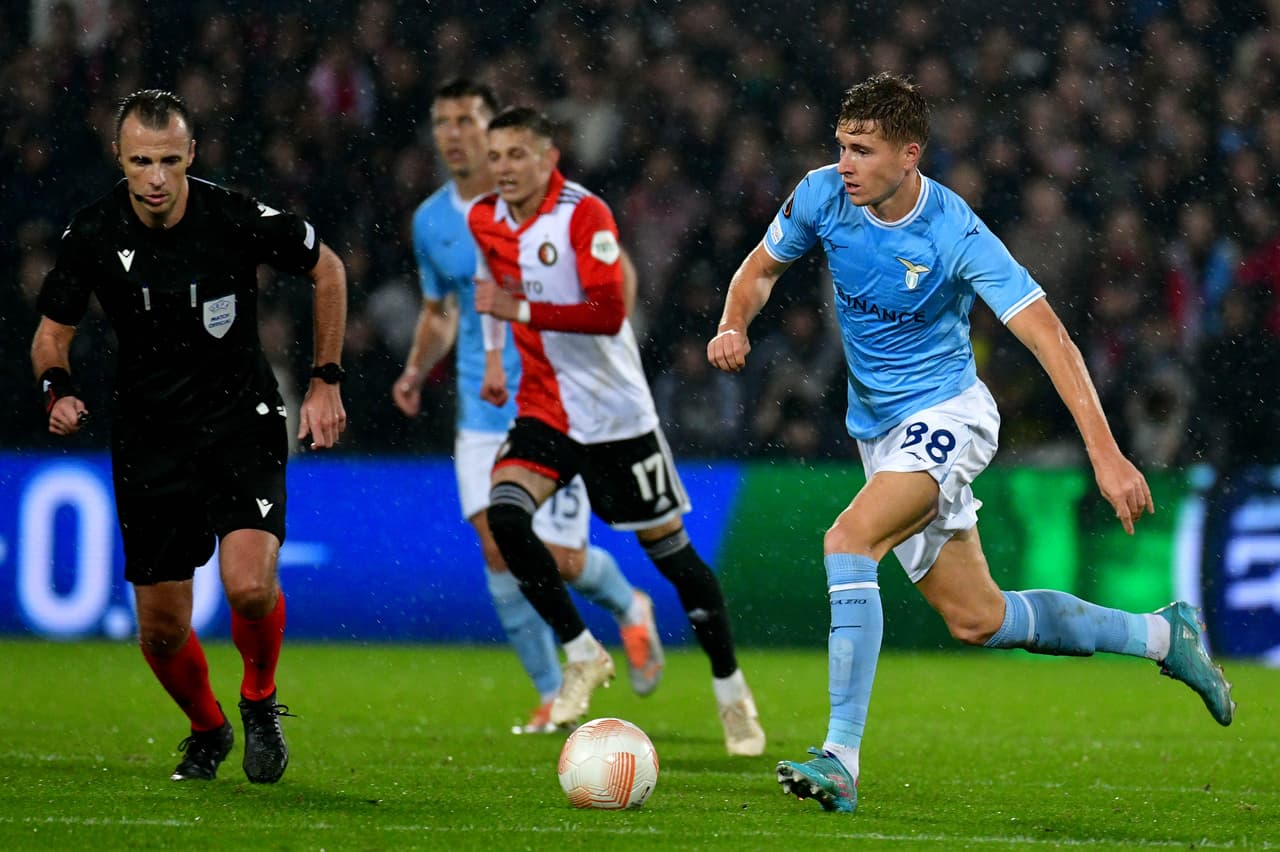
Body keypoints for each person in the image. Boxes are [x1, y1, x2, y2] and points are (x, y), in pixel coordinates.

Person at [706, 73, 1235, 813]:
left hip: (951, 415)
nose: (846, 162)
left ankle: (840, 758)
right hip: (880, 432)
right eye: (841, 146)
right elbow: (758, 272)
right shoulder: (822, 194)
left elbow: (1051, 337)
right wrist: (734, 322)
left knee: (848, 539)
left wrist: (1106, 453)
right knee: (978, 618)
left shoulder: (954, 231)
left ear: (909, 154)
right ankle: (1162, 636)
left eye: (862, 149)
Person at [31, 90, 348, 783]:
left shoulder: (233, 216)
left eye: (169, 161)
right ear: (119, 157)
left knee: (250, 588)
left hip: (241, 422)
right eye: (141, 160)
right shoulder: (91, 233)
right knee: (163, 631)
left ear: (191, 157)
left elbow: (328, 268)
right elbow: (51, 336)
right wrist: (58, 388)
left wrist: (326, 378)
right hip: (151, 440)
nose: (154, 177)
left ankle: (259, 701)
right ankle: (209, 729)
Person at [471, 106, 766, 756]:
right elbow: (490, 281)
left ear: (549, 158)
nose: (505, 169)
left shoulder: (584, 214)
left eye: (518, 155)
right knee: (506, 517)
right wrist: (495, 353)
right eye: (495, 158)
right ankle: (582, 652)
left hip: (615, 417)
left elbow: (607, 314)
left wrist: (517, 308)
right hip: (545, 408)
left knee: (677, 562)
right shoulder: (484, 218)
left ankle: (730, 688)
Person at [391, 79, 663, 734]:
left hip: (559, 400)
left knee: (561, 559)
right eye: (442, 120)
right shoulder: (433, 221)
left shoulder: (553, 204)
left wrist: (609, 342)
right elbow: (441, 310)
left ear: (494, 130)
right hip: (483, 408)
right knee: (496, 545)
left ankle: (630, 606)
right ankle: (552, 688)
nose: (454, 133)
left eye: (467, 119)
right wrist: (413, 369)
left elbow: (615, 278)